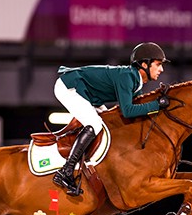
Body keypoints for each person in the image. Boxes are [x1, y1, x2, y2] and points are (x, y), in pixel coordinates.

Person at [52, 42, 171, 196]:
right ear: (144, 64)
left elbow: (133, 110)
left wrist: (158, 100)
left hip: (87, 94)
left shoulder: (136, 82)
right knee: (94, 124)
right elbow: (127, 111)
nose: (161, 69)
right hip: (69, 87)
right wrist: (157, 105)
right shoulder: (127, 77)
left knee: (108, 124)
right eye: (158, 64)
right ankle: (66, 171)